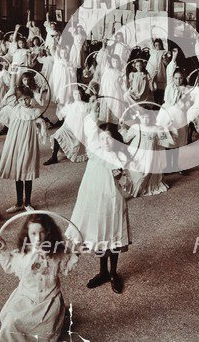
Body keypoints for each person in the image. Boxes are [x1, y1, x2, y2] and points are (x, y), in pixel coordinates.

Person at [66, 121, 131, 294]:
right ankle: (102, 271)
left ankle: (113, 273)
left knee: (113, 234)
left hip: (113, 202)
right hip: (95, 201)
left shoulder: (120, 158)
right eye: (102, 139)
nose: (105, 142)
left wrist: (121, 177)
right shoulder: (94, 153)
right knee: (100, 234)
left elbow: (128, 184)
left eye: (109, 139)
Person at [0, 214, 79, 342]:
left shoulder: (57, 254)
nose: (38, 238)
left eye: (42, 232)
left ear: (49, 233)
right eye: (33, 233)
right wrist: (3, 250)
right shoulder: (23, 255)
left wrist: (76, 253)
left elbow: (66, 267)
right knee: (12, 322)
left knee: (44, 329)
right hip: (26, 297)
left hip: (49, 300)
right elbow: (9, 267)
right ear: (27, 234)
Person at [0, 87, 47, 213]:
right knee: (17, 173)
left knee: (27, 172)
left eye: (27, 99)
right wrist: (14, 83)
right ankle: (19, 202)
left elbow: (39, 122)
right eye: (21, 99)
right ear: (17, 100)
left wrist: (42, 126)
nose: (25, 102)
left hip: (28, 143)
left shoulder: (35, 111)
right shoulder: (14, 110)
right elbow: (6, 100)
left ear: (31, 98)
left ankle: (27, 203)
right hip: (15, 142)